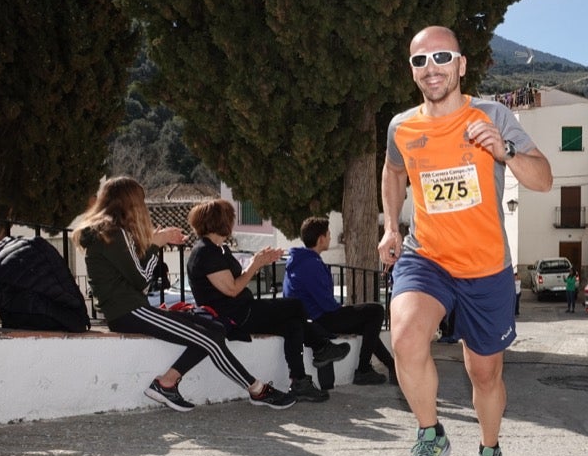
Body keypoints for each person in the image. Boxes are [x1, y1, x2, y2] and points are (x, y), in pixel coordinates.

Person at [378, 25, 553, 456]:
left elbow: (544, 180)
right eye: (420, 61)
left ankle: (490, 449)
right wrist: (393, 227)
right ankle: (430, 435)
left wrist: (506, 149)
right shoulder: (402, 126)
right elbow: (394, 170)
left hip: (485, 266)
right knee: (406, 336)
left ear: (461, 65)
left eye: (441, 58)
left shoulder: (493, 114)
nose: (431, 68)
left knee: (484, 372)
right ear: (413, 72)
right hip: (426, 256)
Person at [73, 177, 295, 412]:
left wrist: (153, 243)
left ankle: (166, 383)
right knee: (209, 338)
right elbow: (141, 279)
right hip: (129, 311)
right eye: (140, 199)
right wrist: (156, 244)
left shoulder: (112, 233)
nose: (143, 206)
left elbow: (136, 279)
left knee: (215, 327)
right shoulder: (111, 233)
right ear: (128, 201)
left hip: (134, 308)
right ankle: (257, 389)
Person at [186, 199, 350, 404]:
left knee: (292, 325)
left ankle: (300, 380)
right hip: (235, 315)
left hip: (242, 309)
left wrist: (258, 261)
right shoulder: (205, 252)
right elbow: (232, 288)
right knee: (295, 306)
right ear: (221, 221)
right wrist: (256, 264)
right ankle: (321, 346)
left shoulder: (218, 249)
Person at [284, 215, 397, 386]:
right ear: (321, 239)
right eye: (328, 234)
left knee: (367, 325)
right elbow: (326, 303)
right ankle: (364, 369)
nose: (330, 237)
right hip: (320, 319)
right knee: (376, 310)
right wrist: (342, 309)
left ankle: (390, 366)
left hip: (313, 317)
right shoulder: (310, 264)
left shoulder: (300, 260)